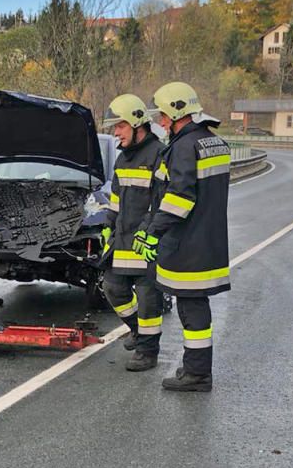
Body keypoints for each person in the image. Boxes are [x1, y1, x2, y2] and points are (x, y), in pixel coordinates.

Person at [133, 81, 230, 392]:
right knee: (195, 304)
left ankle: (197, 374)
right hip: (209, 239)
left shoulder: (185, 148)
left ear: (178, 113)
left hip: (188, 243)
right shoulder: (212, 142)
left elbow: (179, 199)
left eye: (163, 116)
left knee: (191, 307)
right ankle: (197, 369)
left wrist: (152, 231)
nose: (161, 122)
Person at [99, 93, 165, 372]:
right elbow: (115, 199)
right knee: (113, 287)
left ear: (138, 124)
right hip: (123, 239)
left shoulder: (159, 155)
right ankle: (138, 330)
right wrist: (108, 226)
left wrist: (146, 232)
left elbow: (162, 202)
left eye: (120, 126)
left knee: (149, 298)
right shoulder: (123, 159)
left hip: (147, 241)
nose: (116, 133)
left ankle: (147, 353)